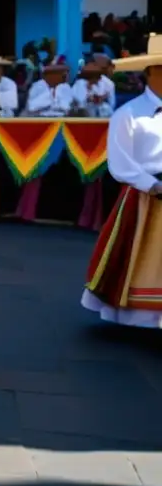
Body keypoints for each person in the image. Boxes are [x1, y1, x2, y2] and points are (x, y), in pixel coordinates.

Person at [83, 34, 162, 326]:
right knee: (138, 255)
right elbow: (119, 163)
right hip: (144, 196)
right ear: (150, 72)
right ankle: (138, 313)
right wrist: (152, 185)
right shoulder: (128, 114)